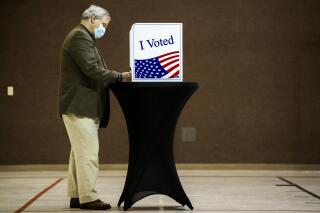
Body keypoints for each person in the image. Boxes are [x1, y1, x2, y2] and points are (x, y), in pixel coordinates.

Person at [57, 5, 131, 210]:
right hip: (80, 106)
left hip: (82, 106)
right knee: (88, 154)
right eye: (104, 24)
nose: (104, 29)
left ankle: (76, 195)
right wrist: (120, 76)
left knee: (78, 154)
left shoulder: (84, 38)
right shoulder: (79, 37)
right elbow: (92, 69)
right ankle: (88, 197)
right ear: (92, 19)